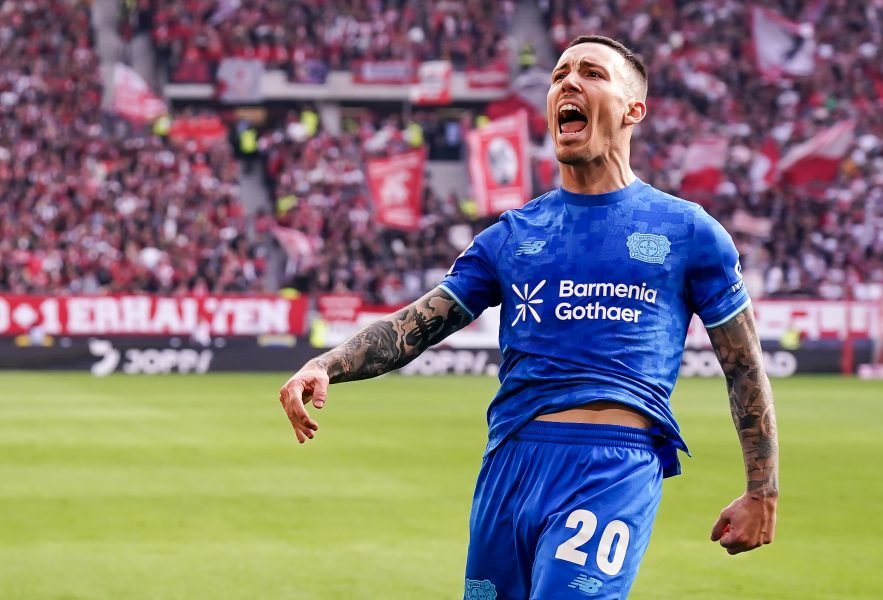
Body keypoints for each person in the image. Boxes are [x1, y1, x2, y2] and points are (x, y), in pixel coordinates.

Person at [278, 35, 779, 599]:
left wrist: (762, 490)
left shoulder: (689, 232)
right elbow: (414, 326)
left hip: (608, 468)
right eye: (559, 74)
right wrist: (326, 364)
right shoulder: (512, 236)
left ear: (633, 109)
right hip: (508, 465)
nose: (568, 82)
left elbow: (744, 366)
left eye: (592, 73)